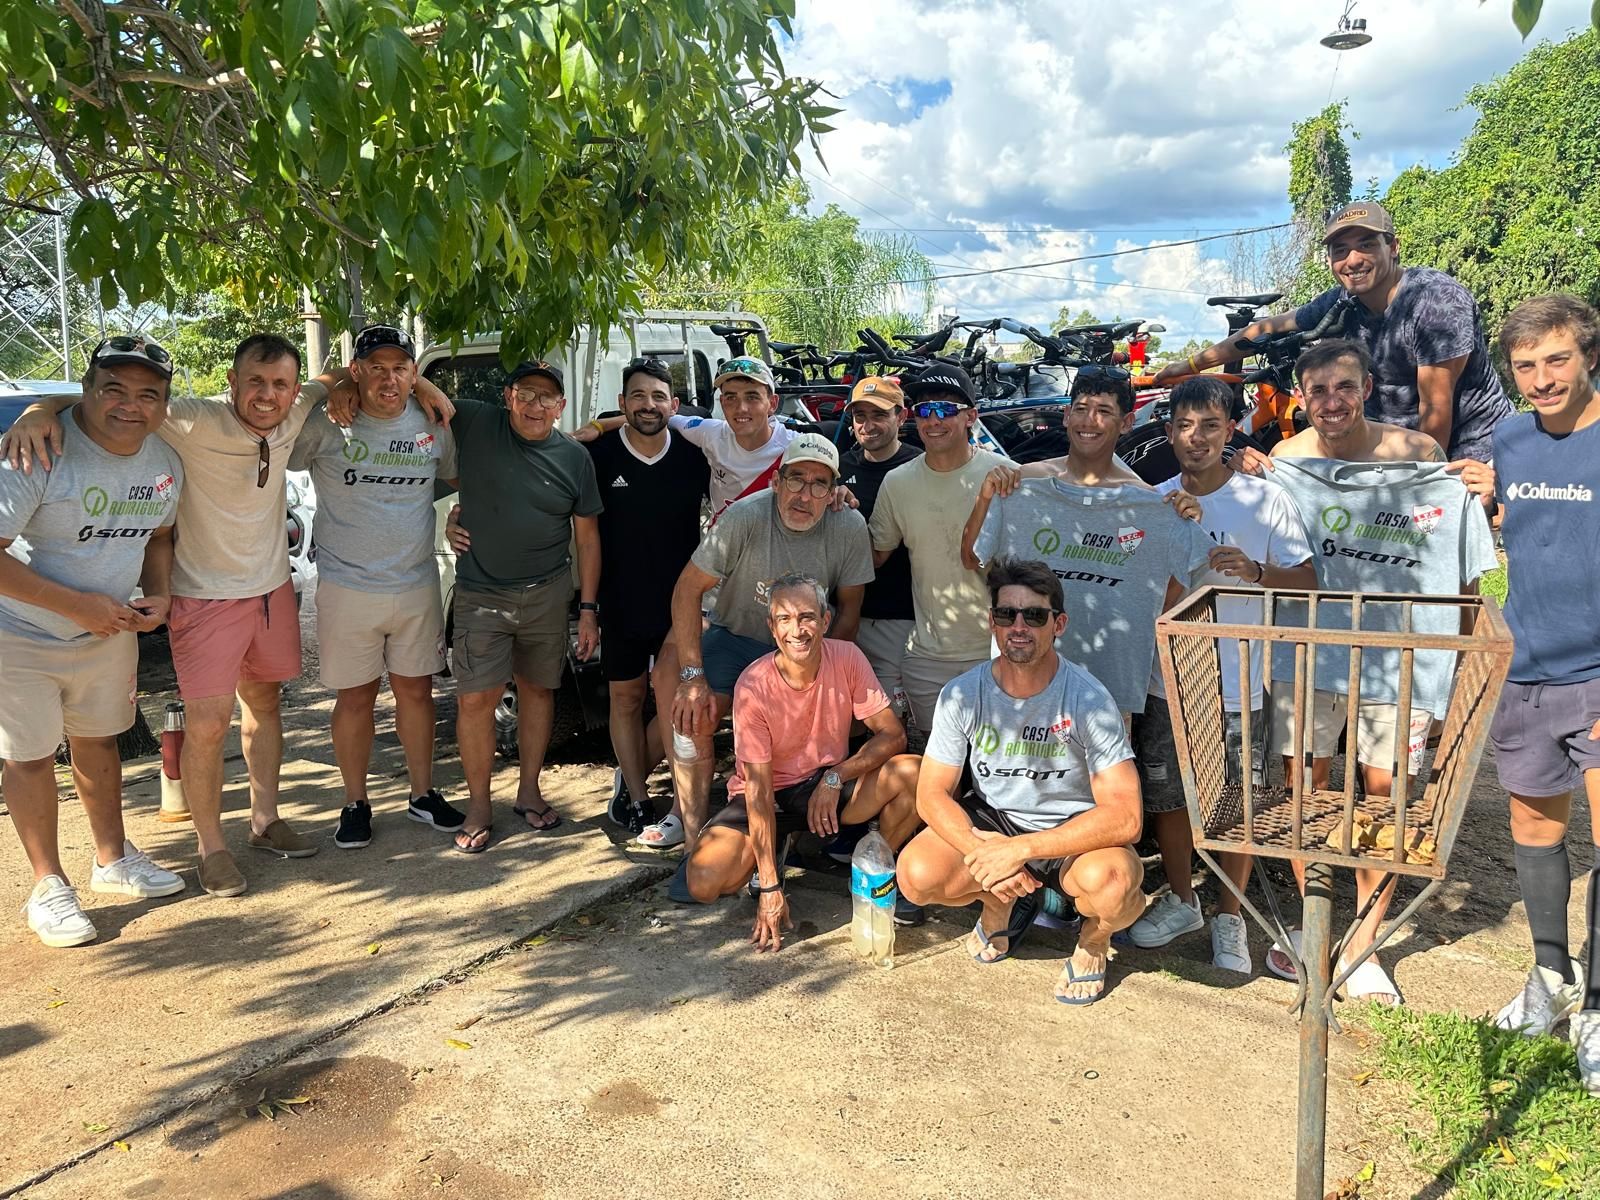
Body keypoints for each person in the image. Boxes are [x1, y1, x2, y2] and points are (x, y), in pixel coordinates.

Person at [1, 334, 447, 895]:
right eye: (254, 382)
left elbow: (336, 376)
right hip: (203, 596)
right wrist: (41, 408)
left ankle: (265, 820)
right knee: (207, 726)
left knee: (264, 707)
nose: (268, 395)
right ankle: (210, 848)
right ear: (231, 382)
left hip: (270, 589)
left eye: (280, 384)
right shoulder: (187, 419)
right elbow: (116, 404)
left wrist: (420, 380)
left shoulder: (297, 407)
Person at [1241, 338, 1497, 1005]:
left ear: (1367, 389)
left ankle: (1365, 939)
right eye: (1318, 390)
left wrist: (1457, 661)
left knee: (1385, 795)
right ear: (1301, 397)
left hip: (1403, 658)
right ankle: (1318, 922)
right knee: (1304, 787)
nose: (1331, 402)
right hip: (1308, 652)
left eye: (1344, 387)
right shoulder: (1285, 464)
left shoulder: (1422, 459)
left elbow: (1464, 576)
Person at [1118, 377, 1316, 972]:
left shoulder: (1264, 500)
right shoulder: (1155, 499)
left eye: (1210, 425)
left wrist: (1256, 571)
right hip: (1167, 679)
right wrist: (1180, 546)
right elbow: (1143, 596)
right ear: (1169, 432)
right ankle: (1182, 899)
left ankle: (1230, 914)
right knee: (1169, 797)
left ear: (1231, 430)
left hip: (1239, 679)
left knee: (1240, 801)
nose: (1195, 438)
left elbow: (1307, 583)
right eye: (1182, 426)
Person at [0, 337, 186, 945]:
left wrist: (157, 597)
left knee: (98, 742)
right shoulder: (37, 452)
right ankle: (48, 885)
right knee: (28, 757)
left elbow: (160, 538)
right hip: (20, 633)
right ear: (86, 389)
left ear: (163, 403)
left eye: (147, 394)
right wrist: (77, 605)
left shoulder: (165, 461)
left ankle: (113, 860)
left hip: (107, 635)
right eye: (114, 389)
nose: (129, 405)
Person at [896, 557, 1146, 1004]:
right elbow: (931, 795)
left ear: (1059, 623)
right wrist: (984, 853)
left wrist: (1023, 850)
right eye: (1005, 614)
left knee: (1115, 888)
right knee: (916, 875)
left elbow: (1127, 817)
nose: (1018, 625)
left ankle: (1092, 940)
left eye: (1034, 615)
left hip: (1072, 830)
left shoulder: (1089, 700)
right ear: (991, 622)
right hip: (998, 820)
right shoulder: (962, 692)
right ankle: (999, 903)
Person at [1157, 201, 1512, 462]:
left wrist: (1413, 488)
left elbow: (1435, 414)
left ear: (1393, 246)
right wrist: (1190, 365)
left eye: (1367, 244)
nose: (1353, 259)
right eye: (1340, 250)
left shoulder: (1433, 301)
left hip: (1465, 450)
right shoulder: (1344, 300)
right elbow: (1265, 328)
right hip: (1391, 446)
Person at [1484, 294, 1599, 1091]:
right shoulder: (1513, 440)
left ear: (1588, 353)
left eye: (1556, 359)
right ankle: (1551, 979)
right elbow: (1508, 524)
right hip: (1526, 665)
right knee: (1534, 828)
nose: (1542, 379)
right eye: (1526, 366)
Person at [288, 325, 464, 849]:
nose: (389, 379)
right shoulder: (328, 425)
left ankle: (422, 794)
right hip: (346, 585)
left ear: (413, 373)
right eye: (376, 368)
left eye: (400, 368)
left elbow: (463, 479)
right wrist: (334, 382)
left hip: (416, 582)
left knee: (417, 690)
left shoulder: (433, 426)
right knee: (356, 696)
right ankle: (355, 802)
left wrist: (462, 512)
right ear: (358, 370)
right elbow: (281, 425)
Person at [676, 574, 917, 952]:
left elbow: (892, 733)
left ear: (825, 620)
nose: (797, 630)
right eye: (784, 619)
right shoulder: (753, 685)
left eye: (806, 617)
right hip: (768, 794)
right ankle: (771, 853)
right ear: (771, 628)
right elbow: (757, 791)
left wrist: (837, 775)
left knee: (914, 773)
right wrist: (771, 888)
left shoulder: (847, 657)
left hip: (826, 786)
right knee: (703, 883)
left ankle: (876, 872)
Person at [418, 361, 601, 852]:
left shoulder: (574, 459)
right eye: (526, 393)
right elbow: (415, 386)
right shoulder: (478, 421)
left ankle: (528, 791)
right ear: (508, 395)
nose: (535, 406)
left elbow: (587, 539)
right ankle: (479, 804)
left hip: (547, 592)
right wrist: (344, 389)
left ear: (561, 407)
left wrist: (587, 608)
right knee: (476, 698)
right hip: (481, 592)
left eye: (547, 398)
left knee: (539, 692)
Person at [964, 368, 1212, 718]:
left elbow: (1168, 594)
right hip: (1022, 676)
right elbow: (971, 559)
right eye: (1080, 408)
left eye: (1104, 411)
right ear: (1066, 415)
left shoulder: (1147, 504)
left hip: (1107, 688)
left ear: (1126, 423)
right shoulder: (1023, 485)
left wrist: (1180, 522)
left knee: (1104, 773)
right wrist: (985, 499)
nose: (1089, 420)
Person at [668, 433, 875, 851]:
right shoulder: (745, 517)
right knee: (693, 718)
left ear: (834, 490)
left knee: (827, 723)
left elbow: (850, 609)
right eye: (796, 480)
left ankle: (800, 818)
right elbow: (686, 590)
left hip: (804, 644)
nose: (805, 494)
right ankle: (692, 834)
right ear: (776, 481)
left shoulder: (849, 526)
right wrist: (692, 676)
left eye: (820, 484)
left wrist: (826, 669)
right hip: (740, 636)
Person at [585, 357, 710, 848]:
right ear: (623, 403)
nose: (648, 405)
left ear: (673, 406)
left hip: (679, 602)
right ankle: (636, 797)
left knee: (675, 701)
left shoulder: (692, 455)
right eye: (638, 396)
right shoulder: (599, 457)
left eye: (659, 397)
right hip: (619, 600)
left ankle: (679, 803)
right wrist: (589, 609)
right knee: (626, 698)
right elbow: (586, 535)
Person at [867, 364, 1008, 735]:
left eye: (946, 410)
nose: (933, 420)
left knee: (991, 772)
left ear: (971, 417)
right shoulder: (897, 483)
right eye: (924, 410)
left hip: (993, 651)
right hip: (927, 657)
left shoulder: (1006, 475)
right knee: (938, 764)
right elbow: (873, 555)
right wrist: (832, 507)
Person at [576, 356, 792, 525]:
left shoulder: (797, 447)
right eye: (731, 397)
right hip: (724, 567)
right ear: (722, 402)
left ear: (772, 403)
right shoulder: (709, 433)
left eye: (752, 397)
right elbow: (657, 415)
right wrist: (601, 424)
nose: (741, 407)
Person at [838, 375, 921, 726]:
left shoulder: (920, 466)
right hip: (844, 612)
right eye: (860, 416)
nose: (867, 425)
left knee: (889, 719)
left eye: (879, 415)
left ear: (901, 417)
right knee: (842, 713)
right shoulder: (840, 466)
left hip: (898, 615)